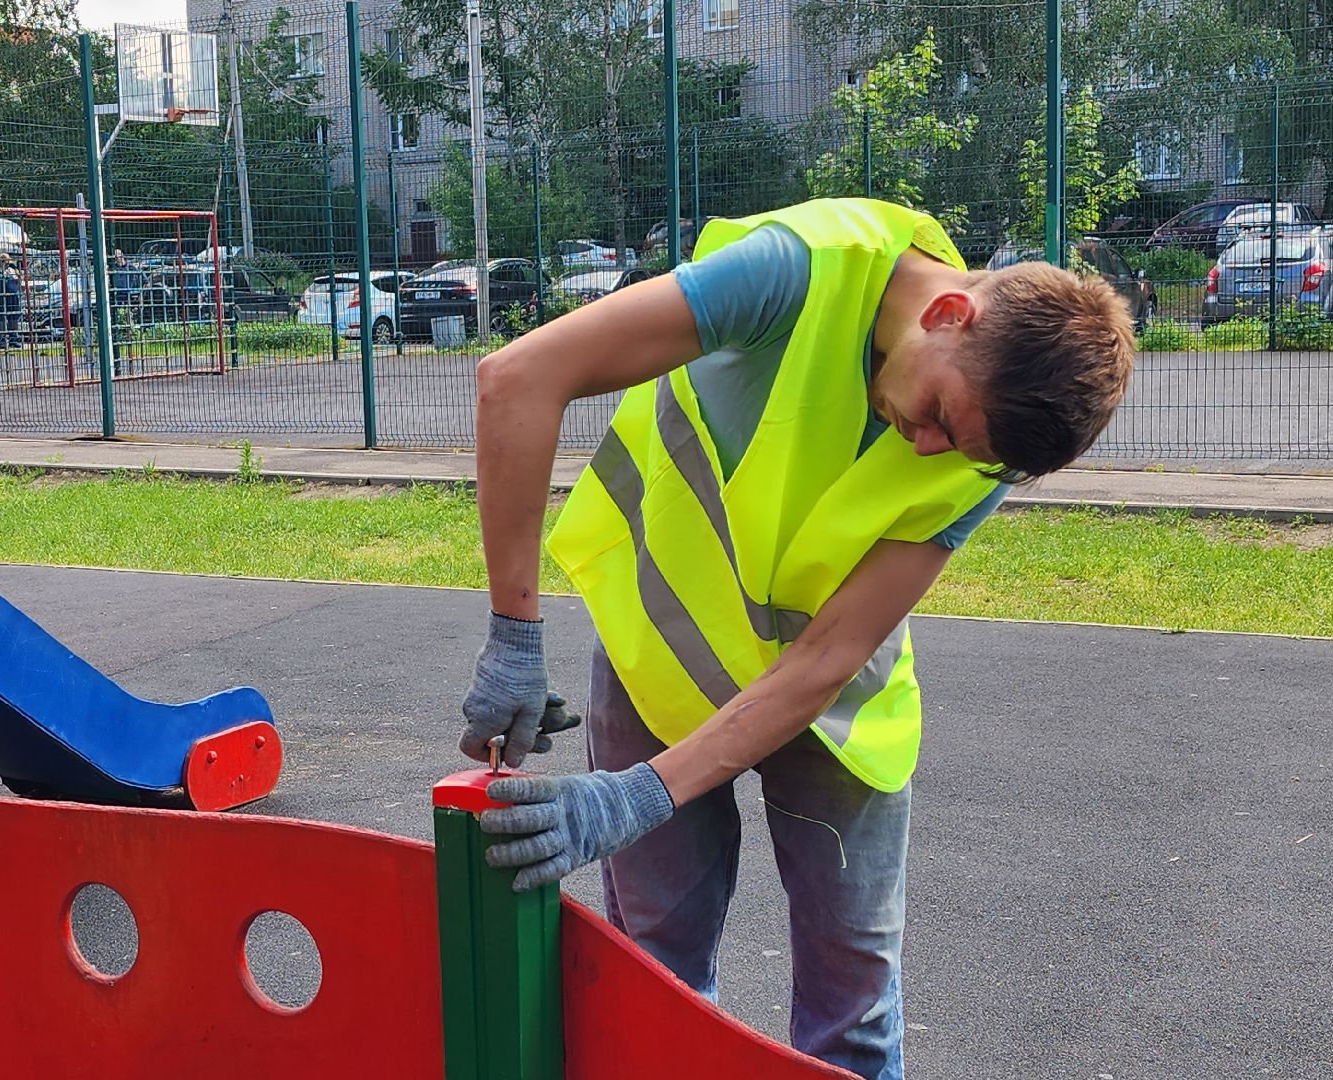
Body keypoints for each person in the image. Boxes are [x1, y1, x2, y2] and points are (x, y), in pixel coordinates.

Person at [458, 198, 1134, 1080]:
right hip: (664, 656)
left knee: (853, 1002)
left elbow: (824, 659)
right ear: (947, 314)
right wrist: (515, 634)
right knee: (655, 968)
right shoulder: (795, 271)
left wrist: (635, 797)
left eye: (958, 449)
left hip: (833, 709)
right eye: (937, 413)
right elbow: (518, 377)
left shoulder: (984, 436)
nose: (928, 448)